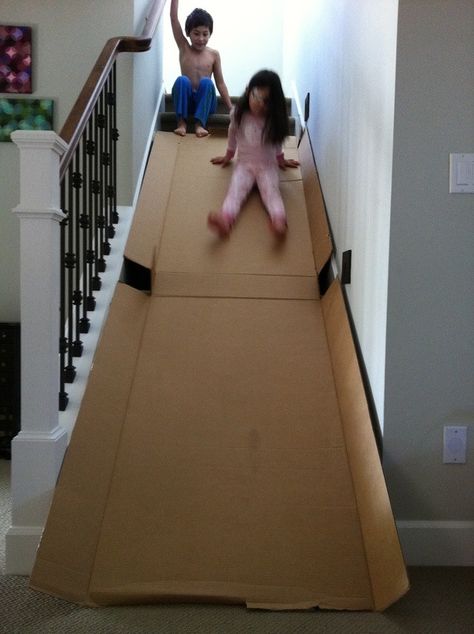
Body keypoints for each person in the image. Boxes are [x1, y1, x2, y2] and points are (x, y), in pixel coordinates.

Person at [208, 69, 299, 238]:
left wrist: (281, 159)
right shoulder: (238, 114)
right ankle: (226, 219)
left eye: (267, 102)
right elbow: (232, 134)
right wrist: (228, 155)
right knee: (235, 190)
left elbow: (277, 142)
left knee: (272, 193)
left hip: (267, 166)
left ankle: (279, 220)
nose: (260, 104)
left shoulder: (273, 120)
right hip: (244, 166)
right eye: (257, 97)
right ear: (248, 90)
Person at [170, 0, 232, 137]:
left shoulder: (213, 55)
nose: (201, 38)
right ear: (188, 32)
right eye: (196, 33)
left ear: (210, 34)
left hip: (205, 104)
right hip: (187, 101)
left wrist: (230, 107)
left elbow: (220, 83)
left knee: (207, 82)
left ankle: (200, 124)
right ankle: (181, 123)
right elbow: (174, 19)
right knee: (182, 80)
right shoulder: (184, 48)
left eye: (205, 34)